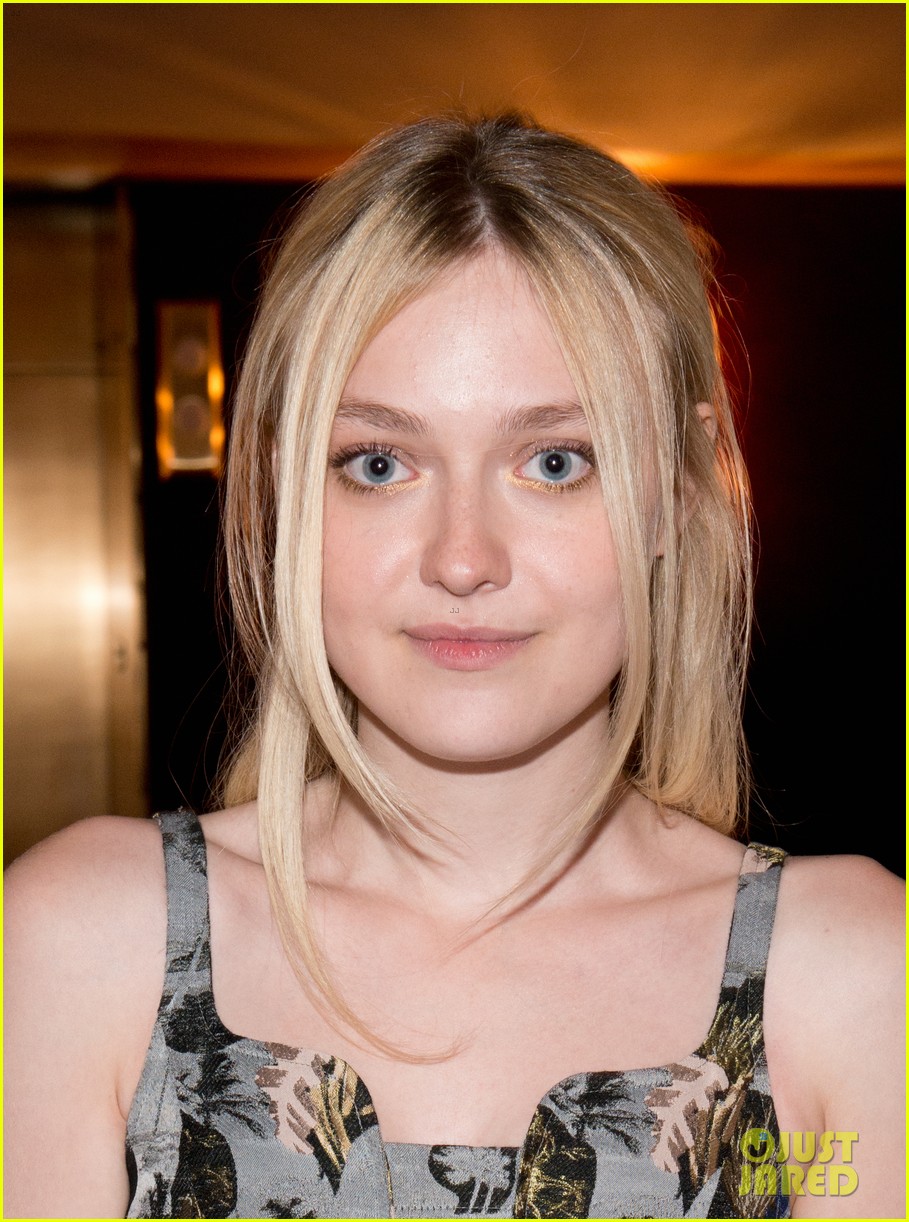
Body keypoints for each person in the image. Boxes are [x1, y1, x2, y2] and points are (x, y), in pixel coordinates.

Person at [4, 114, 903, 1220]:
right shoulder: (86, 946)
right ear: (285, 492)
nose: (463, 558)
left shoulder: (850, 982)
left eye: (555, 462)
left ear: (678, 490)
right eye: (380, 463)